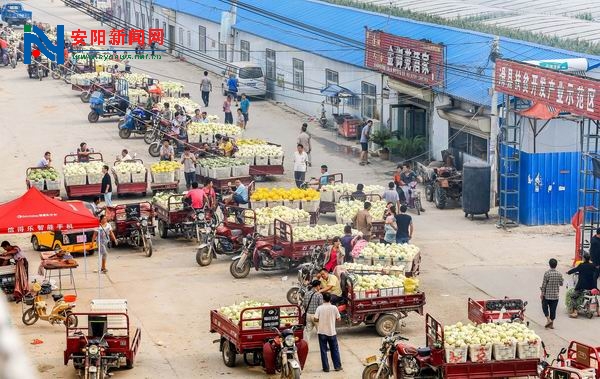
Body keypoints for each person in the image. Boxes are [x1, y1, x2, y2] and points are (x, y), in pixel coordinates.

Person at [314, 292, 342, 372]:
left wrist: (320, 319)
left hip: (322, 332)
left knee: (323, 351)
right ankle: (337, 366)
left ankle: (326, 368)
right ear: (330, 299)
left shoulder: (319, 308)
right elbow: (339, 319)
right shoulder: (334, 308)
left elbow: (315, 319)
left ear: (323, 299)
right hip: (332, 332)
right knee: (335, 350)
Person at [567, 254, 598, 318]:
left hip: (582, 286)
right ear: (589, 259)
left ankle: (575, 312)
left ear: (583, 259)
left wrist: (568, 272)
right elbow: (596, 271)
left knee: (573, 297)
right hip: (591, 287)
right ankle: (598, 311)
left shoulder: (581, 265)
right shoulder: (593, 266)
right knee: (594, 296)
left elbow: (575, 270)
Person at [540, 258, 563, 329]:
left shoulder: (547, 273)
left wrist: (542, 294)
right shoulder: (559, 274)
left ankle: (548, 319)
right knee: (553, 310)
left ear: (549, 265)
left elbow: (544, 285)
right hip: (555, 295)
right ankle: (551, 324)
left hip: (547, 295)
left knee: (544, 307)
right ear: (556, 265)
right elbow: (561, 284)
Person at [302, 279, 323, 344]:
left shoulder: (306, 294)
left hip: (308, 315)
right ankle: (323, 346)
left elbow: (304, 305)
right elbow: (321, 307)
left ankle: (305, 346)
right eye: (320, 286)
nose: (320, 287)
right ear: (317, 286)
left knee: (308, 332)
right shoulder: (319, 295)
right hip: (316, 316)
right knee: (320, 332)